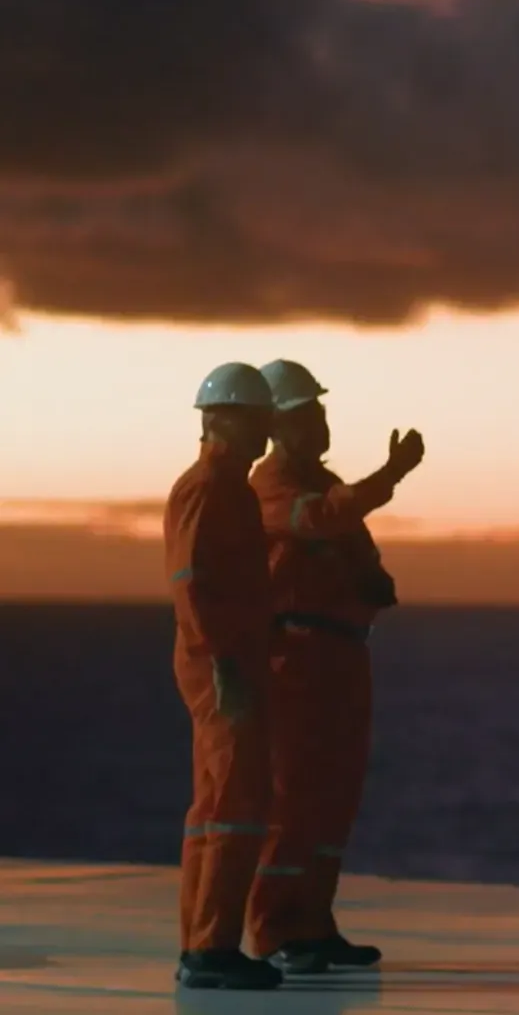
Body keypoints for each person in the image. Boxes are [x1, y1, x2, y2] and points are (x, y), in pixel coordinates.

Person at [245, 358, 424, 974]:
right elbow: (322, 520)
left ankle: (314, 924)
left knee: (333, 796)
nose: (319, 425)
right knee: (293, 795)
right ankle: (274, 930)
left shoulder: (322, 483)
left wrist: (370, 580)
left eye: (319, 412)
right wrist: (391, 475)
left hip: (341, 656)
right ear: (275, 426)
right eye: (306, 415)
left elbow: (347, 538)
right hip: (297, 660)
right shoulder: (271, 487)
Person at [165, 363, 284, 990]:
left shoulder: (228, 489)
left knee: (216, 805)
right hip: (223, 666)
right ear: (220, 420)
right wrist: (224, 663)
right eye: (255, 417)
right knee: (237, 801)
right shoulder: (210, 487)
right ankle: (211, 950)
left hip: (229, 661)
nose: (266, 428)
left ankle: (201, 946)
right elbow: (193, 583)